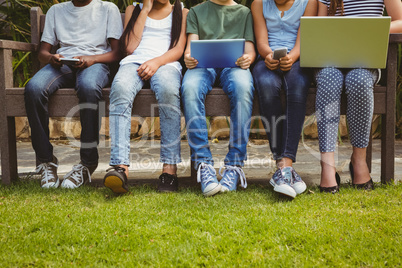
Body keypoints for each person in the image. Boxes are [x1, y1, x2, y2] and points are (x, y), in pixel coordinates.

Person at [24, 0, 123, 189]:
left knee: (88, 87)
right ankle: (46, 161)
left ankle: (87, 163)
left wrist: (92, 59)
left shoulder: (107, 9)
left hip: (95, 64)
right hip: (63, 65)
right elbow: (42, 53)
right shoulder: (56, 11)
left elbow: (117, 53)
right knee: (34, 88)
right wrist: (52, 58)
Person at [316, 0, 402, 193]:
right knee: (330, 79)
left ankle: (359, 160)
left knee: (359, 80)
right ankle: (327, 166)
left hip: (365, 62)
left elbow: (400, 21)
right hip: (330, 63)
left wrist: (367, 30)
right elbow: (319, 27)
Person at [103, 0, 188, 194]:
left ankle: (169, 170)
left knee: (168, 90)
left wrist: (156, 62)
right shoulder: (134, 10)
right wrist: (146, 9)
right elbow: (130, 47)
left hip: (166, 63)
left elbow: (178, 49)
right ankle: (120, 168)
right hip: (133, 62)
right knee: (120, 89)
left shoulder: (181, 12)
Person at [181, 0, 256, 196]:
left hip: (234, 66)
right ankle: (203, 164)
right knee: (189, 88)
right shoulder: (197, 12)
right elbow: (190, 48)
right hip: (203, 65)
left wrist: (248, 58)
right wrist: (188, 57)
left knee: (243, 87)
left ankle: (234, 165)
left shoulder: (244, 13)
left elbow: (250, 51)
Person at [251, 0, 317, 198]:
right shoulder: (258, 4)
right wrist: (268, 55)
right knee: (266, 85)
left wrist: (293, 56)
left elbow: (303, 39)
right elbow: (262, 41)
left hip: (298, 58)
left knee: (296, 87)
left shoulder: (309, 3)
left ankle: (285, 164)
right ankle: (284, 170)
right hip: (268, 60)